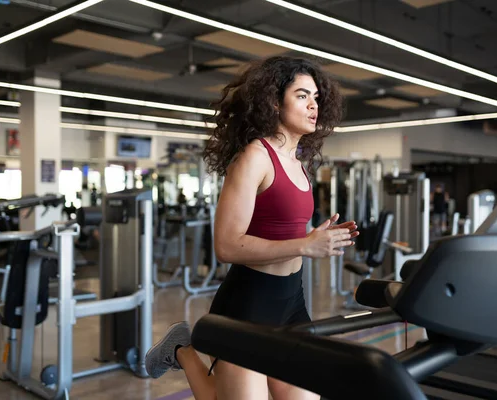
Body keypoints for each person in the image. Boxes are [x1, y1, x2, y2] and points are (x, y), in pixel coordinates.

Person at [144, 56, 359, 399]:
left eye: (316, 97)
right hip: (249, 304)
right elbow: (227, 246)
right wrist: (305, 244)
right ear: (274, 101)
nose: (313, 105)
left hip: (292, 301)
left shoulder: (298, 163)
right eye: (302, 95)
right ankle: (182, 350)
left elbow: (282, 228)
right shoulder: (255, 157)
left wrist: (321, 237)